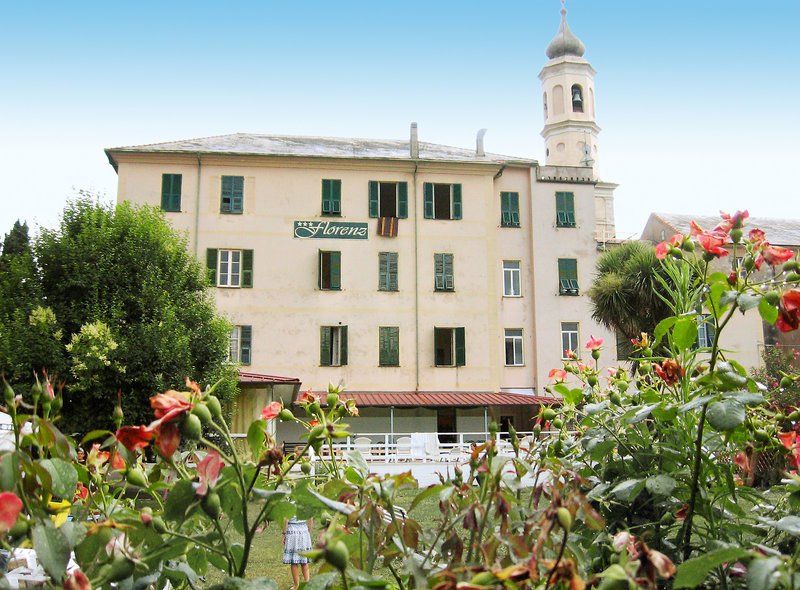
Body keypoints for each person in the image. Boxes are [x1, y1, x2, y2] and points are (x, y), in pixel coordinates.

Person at [283, 512, 313, 590]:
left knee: (294, 561)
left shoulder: (288, 500)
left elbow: (286, 519)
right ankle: (307, 583)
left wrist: (284, 533)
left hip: (292, 530)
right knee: (304, 560)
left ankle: (296, 585)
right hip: (304, 529)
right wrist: (308, 531)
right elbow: (310, 518)